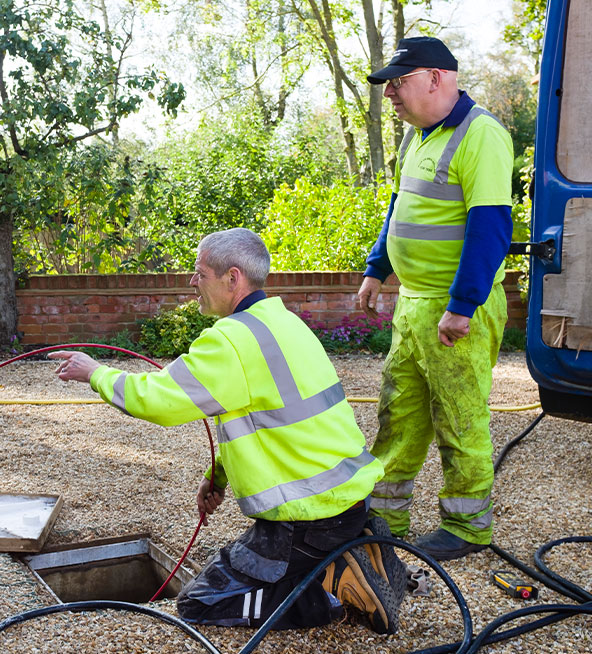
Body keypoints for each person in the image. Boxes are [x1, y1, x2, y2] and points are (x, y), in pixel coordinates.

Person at [51, 228, 406, 634]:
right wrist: (216, 476)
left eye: (199, 272)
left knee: (201, 603)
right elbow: (270, 423)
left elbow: (157, 400)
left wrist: (93, 372)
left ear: (232, 278)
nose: (191, 281)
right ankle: (352, 546)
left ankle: (332, 585)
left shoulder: (232, 341)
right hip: (345, 502)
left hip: (309, 519)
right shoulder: (283, 322)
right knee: (233, 573)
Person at [357, 37, 514, 560]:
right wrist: (377, 270)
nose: (391, 96)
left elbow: (489, 228)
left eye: (398, 83)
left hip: (453, 309)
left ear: (436, 78)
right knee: (398, 413)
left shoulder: (481, 135)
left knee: (459, 417)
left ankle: (467, 528)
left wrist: (463, 305)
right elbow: (400, 210)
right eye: (388, 86)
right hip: (414, 304)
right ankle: (383, 516)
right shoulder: (415, 138)